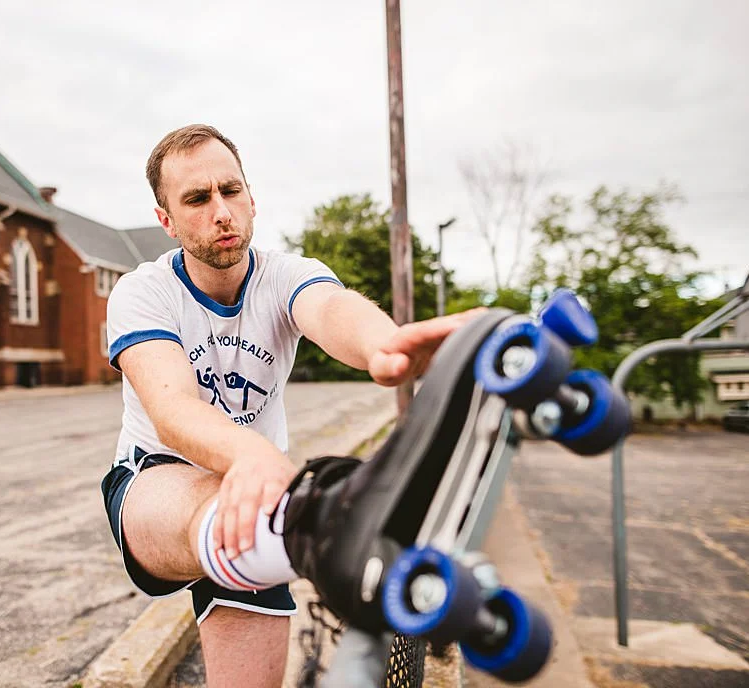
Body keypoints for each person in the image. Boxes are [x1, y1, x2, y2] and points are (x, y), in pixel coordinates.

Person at [100, 123, 478, 687]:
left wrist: (387, 346)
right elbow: (171, 408)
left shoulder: (283, 275)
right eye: (198, 199)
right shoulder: (143, 291)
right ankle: (351, 541)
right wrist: (250, 455)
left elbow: (331, 309)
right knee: (272, 515)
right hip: (158, 483)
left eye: (231, 191)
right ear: (167, 220)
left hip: (263, 505)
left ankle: (360, 549)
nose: (221, 211)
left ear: (252, 198)